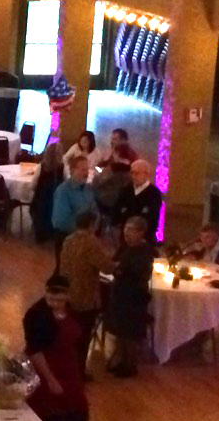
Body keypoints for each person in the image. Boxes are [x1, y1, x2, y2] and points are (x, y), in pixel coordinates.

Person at [24, 275, 89, 421]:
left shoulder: (73, 312)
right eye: (51, 299)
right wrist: (50, 379)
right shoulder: (37, 315)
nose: (54, 304)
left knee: (77, 412)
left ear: (68, 297)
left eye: (59, 300)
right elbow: (35, 351)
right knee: (50, 417)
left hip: (69, 368)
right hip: (47, 369)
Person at [104, 215, 154, 377]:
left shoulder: (145, 251)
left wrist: (119, 269)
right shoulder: (124, 247)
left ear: (141, 233)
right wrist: (118, 268)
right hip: (121, 293)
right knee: (121, 330)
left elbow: (134, 272)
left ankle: (130, 365)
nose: (126, 232)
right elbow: (115, 263)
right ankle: (121, 360)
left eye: (131, 230)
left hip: (134, 297)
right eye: (126, 228)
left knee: (130, 332)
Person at [58, 210, 107, 368]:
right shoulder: (91, 242)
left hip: (68, 292)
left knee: (69, 333)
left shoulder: (68, 240)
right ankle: (78, 370)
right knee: (84, 335)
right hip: (85, 294)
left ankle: (66, 365)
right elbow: (106, 266)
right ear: (92, 224)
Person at [51, 153, 95, 248]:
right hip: (67, 238)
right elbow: (61, 222)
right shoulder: (63, 191)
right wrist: (81, 232)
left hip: (85, 236)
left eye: (87, 169)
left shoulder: (88, 188)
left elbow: (94, 210)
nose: (86, 173)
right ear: (72, 170)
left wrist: (93, 227)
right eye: (83, 170)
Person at [31, 142, 65, 247]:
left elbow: (33, 184)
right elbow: (66, 181)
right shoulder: (63, 168)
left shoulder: (41, 167)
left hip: (41, 199)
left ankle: (40, 233)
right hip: (57, 199)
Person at [123, 159, 163, 239]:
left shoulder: (154, 193)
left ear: (146, 174)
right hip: (125, 237)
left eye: (137, 173)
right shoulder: (126, 190)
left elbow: (152, 217)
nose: (133, 176)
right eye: (132, 173)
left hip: (145, 237)